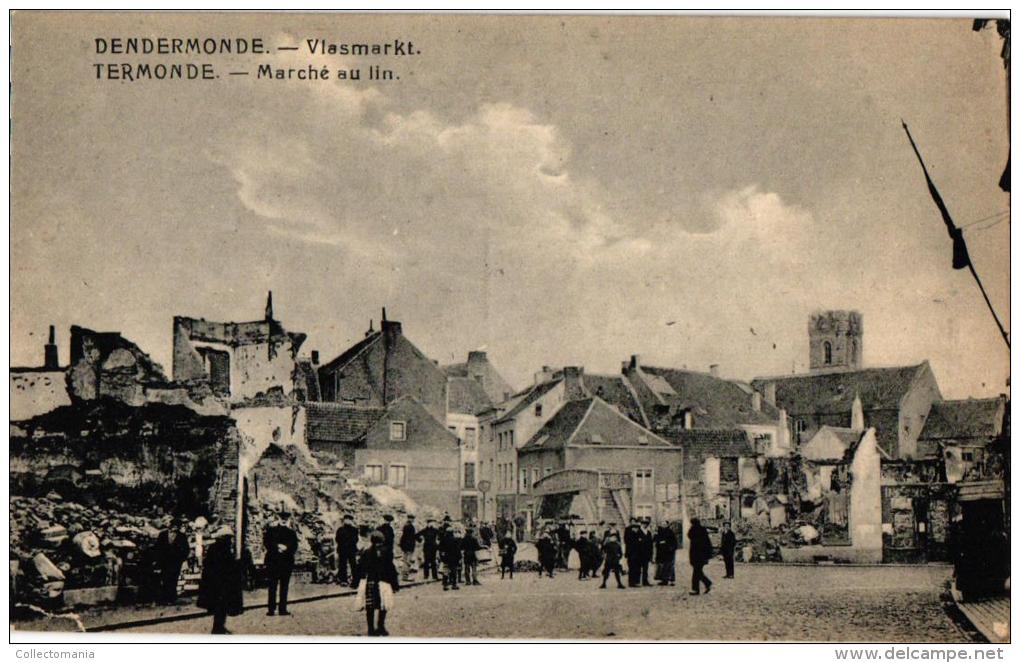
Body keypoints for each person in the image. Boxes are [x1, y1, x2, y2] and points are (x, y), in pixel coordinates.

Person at [197, 526, 244, 635]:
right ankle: (217, 628)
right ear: (223, 538)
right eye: (228, 538)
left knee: (221, 607)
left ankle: (219, 627)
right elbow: (225, 566)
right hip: (220, 584)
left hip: (217, 583)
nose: (230, 540)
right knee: (221, 607)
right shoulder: (222, 549)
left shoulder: (216, 548)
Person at [353, 531, 399, 637]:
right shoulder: (386, 552)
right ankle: (380, 626)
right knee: (383, 605)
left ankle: (371, 629)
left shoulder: (366, 552)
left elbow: (360, 568)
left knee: (370, 606)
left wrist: (356, 581)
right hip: (383, 582)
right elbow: (391, 569)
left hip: (371, 581)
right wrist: (395, 584)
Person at [263, 511, 298, 616]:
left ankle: (283, 609)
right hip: (273, 561)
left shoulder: (291, 533)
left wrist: (286, 548)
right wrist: (277, 547)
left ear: (288, 520)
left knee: (284, 586)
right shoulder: (271, 531)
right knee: (272, 586)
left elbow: (294, 546)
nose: (283, 520)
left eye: (286, 518)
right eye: (282, 518)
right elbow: (267, 543)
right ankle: (271, 609)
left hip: (286, 563)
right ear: (278, 518)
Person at [154, 517, 190, 604]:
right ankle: (163, 598)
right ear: (171, 526)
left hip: (175, 562)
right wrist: (157, 559)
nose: (176, 528)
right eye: (175, 526)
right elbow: (157, 548)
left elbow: (186, 549)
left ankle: (171, 598)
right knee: (164, 578)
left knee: (173, 579)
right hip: (164, 561)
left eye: (178, 526)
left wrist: (181, 559)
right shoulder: (162, 534)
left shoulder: (182, 536)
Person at [687, 518, 713, 595]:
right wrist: (708, 555)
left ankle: (695, 589)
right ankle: (707, 583)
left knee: (696, 572)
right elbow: (708, 544)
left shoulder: (694, 531)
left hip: (697, 556)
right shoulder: (702, 531)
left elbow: (689, 535)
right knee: (698, 572)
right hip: (700, 556)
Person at [335, 513, 359, 586]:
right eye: (346, 519)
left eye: (349, 520)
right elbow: (337, 539)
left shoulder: (354, 530)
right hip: (342, 550)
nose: (347, 521)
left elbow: (356, 539)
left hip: (351, 550)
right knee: (342, 565)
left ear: (351, 521)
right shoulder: (340, 529)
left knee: (353, 565)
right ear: (344, 520)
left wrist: (348, 543)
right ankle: (343, 580)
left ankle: (355, 580)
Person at [440, 524, 462, 590]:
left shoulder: (443, 540)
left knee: (445, 572)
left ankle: (445, 585)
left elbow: (440, 549)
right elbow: (458, 550)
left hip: (446, 558)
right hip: (453, 558)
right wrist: (459, 558)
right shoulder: (455, 540)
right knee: (454, 571)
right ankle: (454, 585)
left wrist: (442, 557)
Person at [398, 514, 417, 581]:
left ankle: (404, 575)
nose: (412, 520)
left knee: (405, 561)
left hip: (405, 547)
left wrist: (402, 545)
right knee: (407, 562)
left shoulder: (405, 526)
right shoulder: (410, 526)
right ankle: (405, 576)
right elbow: (411, 537)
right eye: (411, 518)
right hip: (409, 547)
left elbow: (403, 537)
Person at [623, 518, 641, 586]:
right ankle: (631, 582)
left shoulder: (638, 529)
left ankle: (637, 581)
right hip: (630, 551)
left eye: (634, 522)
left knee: (637, 567)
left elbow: (640, 539)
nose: (633, 523)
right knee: (631, 567)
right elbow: (626, 540)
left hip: (638, 551)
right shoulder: (627, 529)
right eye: (632, 522)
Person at [638, 518, 654, 586]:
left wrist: (651, 553)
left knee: (645, 568)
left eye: (646, 524)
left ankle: (645, 581)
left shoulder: (649, 532)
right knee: (638, 568)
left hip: (647, 553)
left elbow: (650, 543)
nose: (645, 525)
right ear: (641, 524)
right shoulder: (638, 532)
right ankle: (637, 581)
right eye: (643, 524)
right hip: (639, 553)